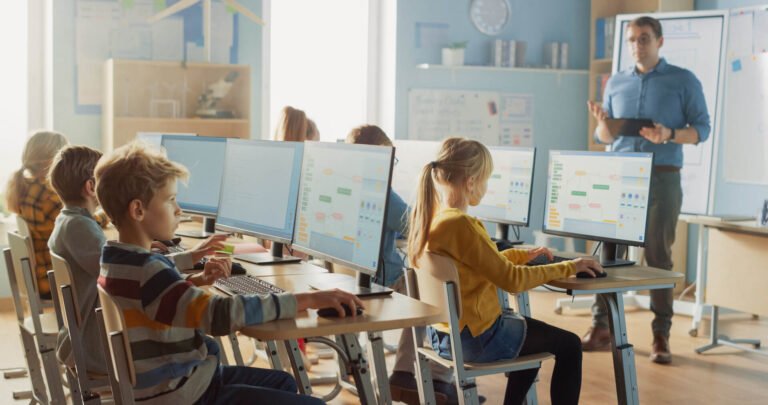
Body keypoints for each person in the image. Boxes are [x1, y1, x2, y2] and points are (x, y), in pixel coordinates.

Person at [94, 142, 362, 404]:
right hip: (186, 393)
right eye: (171, 200)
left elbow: (157, 299)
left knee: (285, 382)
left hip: (171, 385)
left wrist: (196, 281)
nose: (179, 210)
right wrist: (307, 299)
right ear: (138, 210)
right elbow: (218, 315)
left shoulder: (117, 260)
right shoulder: (149, 271)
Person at [409, 137, 604, 405]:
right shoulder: (462, 224)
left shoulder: (436, 219)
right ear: (471, 181)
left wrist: (523, 255)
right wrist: (571, 265)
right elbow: (511, 280)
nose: (487, 187)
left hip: (443, 336)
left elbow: (480, 263)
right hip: (477, 340)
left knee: (531, 346)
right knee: (569, 344)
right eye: (487, 180)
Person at [586, 16, 710, 364]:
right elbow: (605, 137)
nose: (637, 46)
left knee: (657, 258)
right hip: (619, 175)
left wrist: (668, 134)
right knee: (607, 255)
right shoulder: (617, 82)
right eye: (632, 40)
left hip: (662, 177)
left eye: (643, 39)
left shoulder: (683, 80)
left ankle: (660, 336)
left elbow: (702, 129)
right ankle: (602, 327)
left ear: (659, 41)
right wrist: (602, 128)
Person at [47, 145, 226, 374]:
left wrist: (189, 258)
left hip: (88, 334)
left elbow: (134, 268)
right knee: (204, 344)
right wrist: (193, 272)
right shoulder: (78, 226)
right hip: (98, 344)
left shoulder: (68, 220)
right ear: (91, 187)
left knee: (201, 343)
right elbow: (132, 274)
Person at [5, 131, 71, 299]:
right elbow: (75, 225)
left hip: (41, 277)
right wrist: (106, 214)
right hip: (54, 280)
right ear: (53, 160)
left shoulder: (27, 187)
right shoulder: (48, 195)